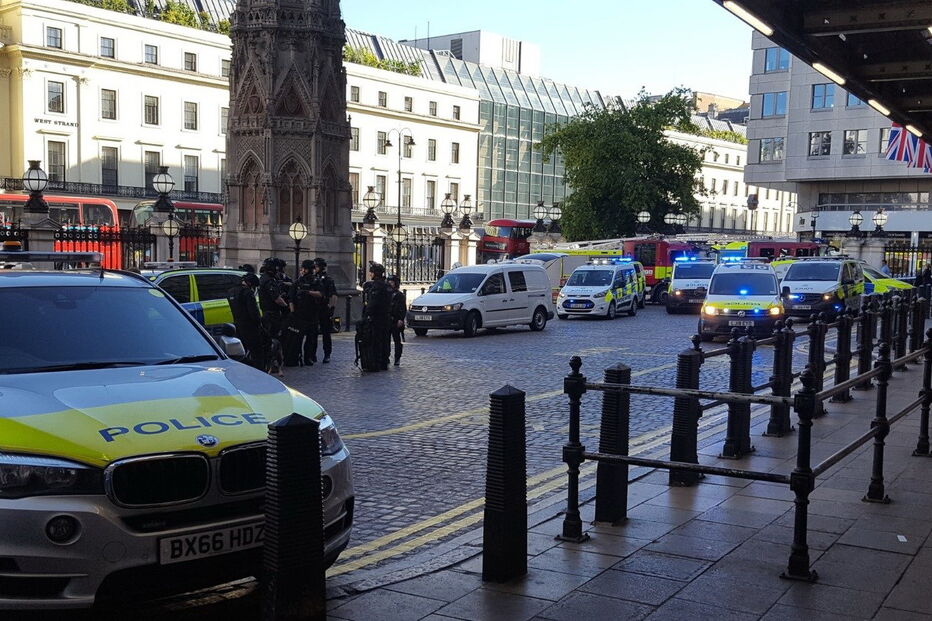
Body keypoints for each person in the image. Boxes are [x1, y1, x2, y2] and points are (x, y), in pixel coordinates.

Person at [286, 260, 322, 367]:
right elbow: (291, 299)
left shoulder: (316, 282)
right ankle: (296, 357)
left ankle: (308, 357)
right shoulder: (297, 282)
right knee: (297, 338)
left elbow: (321, 294)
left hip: (312, 314)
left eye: (304, 269)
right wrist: (292, 313)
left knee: (311, 338)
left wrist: (308, 292)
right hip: (299, 315)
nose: (302, 271)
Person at [227, 273, 265, 371]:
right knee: (257, 352)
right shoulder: (247, 293)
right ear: (250, 283)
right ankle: (259, 371)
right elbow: (253, 312)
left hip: (238, 324)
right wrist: (259, 323)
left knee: (241, 350)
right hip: (250, 326)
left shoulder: (231, 291)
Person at [362, 263, 392, 371]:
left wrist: (366, 316)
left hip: (377, 318)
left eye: (371, 272)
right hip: (386, 317)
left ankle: (377, 363)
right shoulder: (387, 285)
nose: (370, 274)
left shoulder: (377, 286)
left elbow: (372, 304)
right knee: (385, 340)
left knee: (377, 341)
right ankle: (384, 362)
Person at [308, 257, 338, 364]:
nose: (314, 269)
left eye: (316, 267)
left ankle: (327, 354)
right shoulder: (311, 278)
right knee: (313, 332)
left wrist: (331, 308)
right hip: (314, 308)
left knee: (326, 332)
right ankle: (312, 354)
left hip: (324, 308)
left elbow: (333, 295)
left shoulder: (327, 279)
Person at [387, 274, 407, 366]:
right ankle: (386, 357)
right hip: (388, 319)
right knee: (386, 340)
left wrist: (400, 319)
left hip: (396, 320)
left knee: (397, 340)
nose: (390, 284)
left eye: (392, 282)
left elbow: (403, 308)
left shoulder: (399, 295)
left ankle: (397, 358)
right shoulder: (386, 293)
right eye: (389, 282)